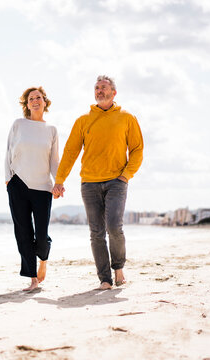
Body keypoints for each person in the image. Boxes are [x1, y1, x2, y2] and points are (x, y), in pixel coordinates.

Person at [52, 75, 143, 290]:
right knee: (96, 233)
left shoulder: (126, 117)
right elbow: (70, 152)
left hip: (116, 182)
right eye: (97, 88)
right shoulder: (83, 120)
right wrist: (59, 180)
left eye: (104, 87)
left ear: (114, 92)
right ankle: (105, 279)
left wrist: (126, 175)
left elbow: (137, 149)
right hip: (89, 183)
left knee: (114, 227)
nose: (99, 91)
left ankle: (118, 268)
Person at [5, 86, 60, 291]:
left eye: (38, 97)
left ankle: (43, 259)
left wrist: (59, 182)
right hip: (17, 183)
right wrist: (8, 179)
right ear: (26, 104)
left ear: (44, 102)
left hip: (43, 188)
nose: (35, 101)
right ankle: (32, 279)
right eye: (30, 99)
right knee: (23, 232)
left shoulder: (51, 130)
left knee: (42, 235)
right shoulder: (18, 125)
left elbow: (54, 160)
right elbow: (8, 152)